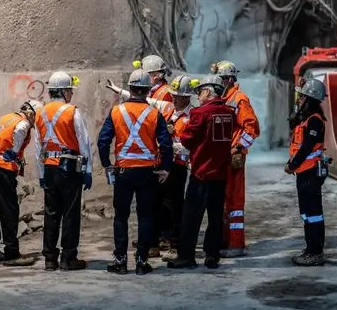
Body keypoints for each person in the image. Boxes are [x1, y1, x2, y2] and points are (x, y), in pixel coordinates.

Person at [104, 73, 195, 256]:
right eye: (174, 96)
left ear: (187, 97)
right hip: (160, 166)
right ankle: (152, 244)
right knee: (154, 207)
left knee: (175, 206)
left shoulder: (193, 115)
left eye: (179, 97)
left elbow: (192, 144)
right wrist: (119, 91)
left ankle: (175, 244)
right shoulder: (167, 108)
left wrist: (174, 149)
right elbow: (147, 100)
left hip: (177, 166)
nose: (175, 99)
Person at [97, 69, 173, 275]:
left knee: (120, 217)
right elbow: (166, 144)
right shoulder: (154, 113)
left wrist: (107, 164)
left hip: (123, 172)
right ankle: (141, 262)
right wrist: (165, 168)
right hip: (147, 172)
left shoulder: (116, 112)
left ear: (130, 89)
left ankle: (120, 261)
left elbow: (103, 141)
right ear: (148, 90)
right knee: (146, 217)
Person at [167, 74, 237, 270]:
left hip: (201, 172)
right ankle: (212, 255)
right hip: (220, 172)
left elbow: (188, 139)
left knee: (191, 216)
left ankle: (186, 256)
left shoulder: (200, 113)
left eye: (200, 91)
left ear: (208, 91)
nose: (198, 95)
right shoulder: (229, 112)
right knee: (215, 216)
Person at [30, 71, 94, 271]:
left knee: (51, 213)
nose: (71, 95)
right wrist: (88, 170)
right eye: (70, 91)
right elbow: (84, 143)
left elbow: (38, 147)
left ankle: (50, 259)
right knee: (70, 213)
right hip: (69, 168)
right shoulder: (72, 112)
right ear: (65, 91)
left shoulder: (40, 113)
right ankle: (68, 258)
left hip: (49, 167)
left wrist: (41, 174)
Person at [0, 100, 43, 266]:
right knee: (9, 208)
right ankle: (12, 253)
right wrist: (15, 150)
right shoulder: (22, 123)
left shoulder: (2, 119)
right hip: (3, 168)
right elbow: (20, 131)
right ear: (32, 114)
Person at [211, 60, 260, 257]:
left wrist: (239, 148)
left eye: (220, 79)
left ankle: (236, 244)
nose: (217, 83)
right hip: (223, 156)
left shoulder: (239, 99)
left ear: (229, 79)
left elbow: (252, 128)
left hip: (234, 156)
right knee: (223, 200)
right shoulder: (223, 98)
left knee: (234, 202)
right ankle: (224, 240)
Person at [285, 77, 329, 266]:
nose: (299, 100)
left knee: (313, 214)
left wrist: (292, 165)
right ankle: (311, 248)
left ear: (310, 99)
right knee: (307, 213)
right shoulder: (307, 120)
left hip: (309, 173)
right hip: (304, 173)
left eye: (303, 97)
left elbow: (306, 148)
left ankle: (315, 252)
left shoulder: (314, 122)